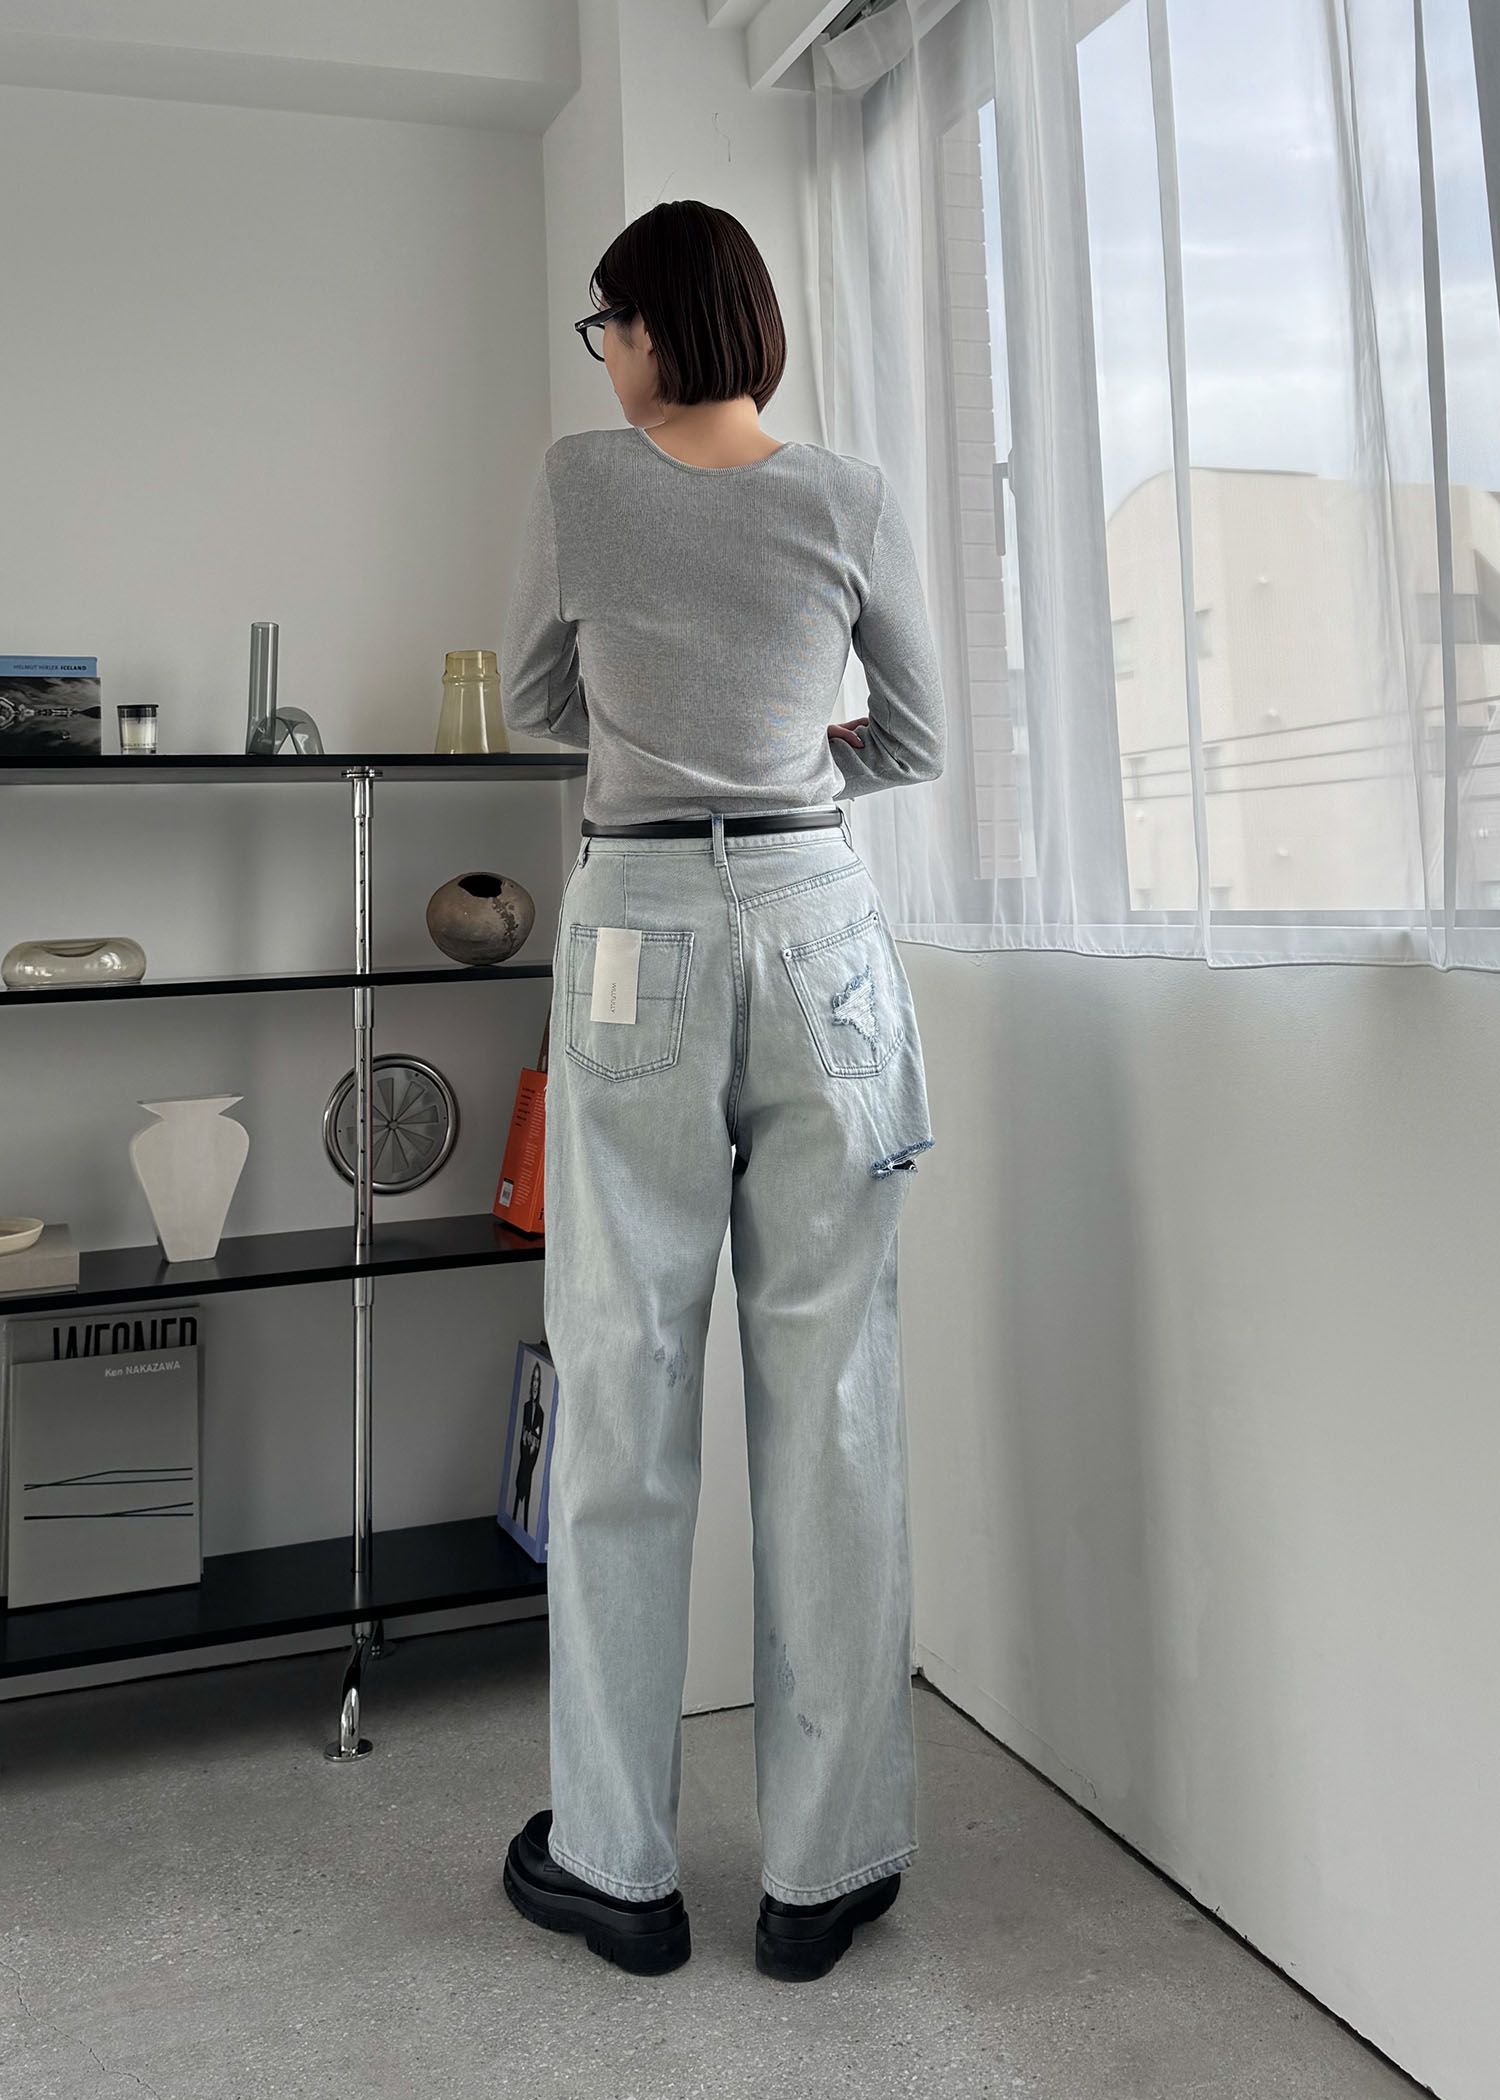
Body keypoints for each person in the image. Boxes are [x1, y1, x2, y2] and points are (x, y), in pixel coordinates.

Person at [497, 198, 946, 1984]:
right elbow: (913, 734)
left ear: (657, 326)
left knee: (623, 1383)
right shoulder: (847, 496)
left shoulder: (580, 484)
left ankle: (615, 1864)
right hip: (819, 919)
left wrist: (654, 737)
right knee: (832, 1400)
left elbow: (538, 697)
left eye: (606, 324)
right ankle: (824, 1873)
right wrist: (783, 752)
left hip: (639, 929)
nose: (602, 355)